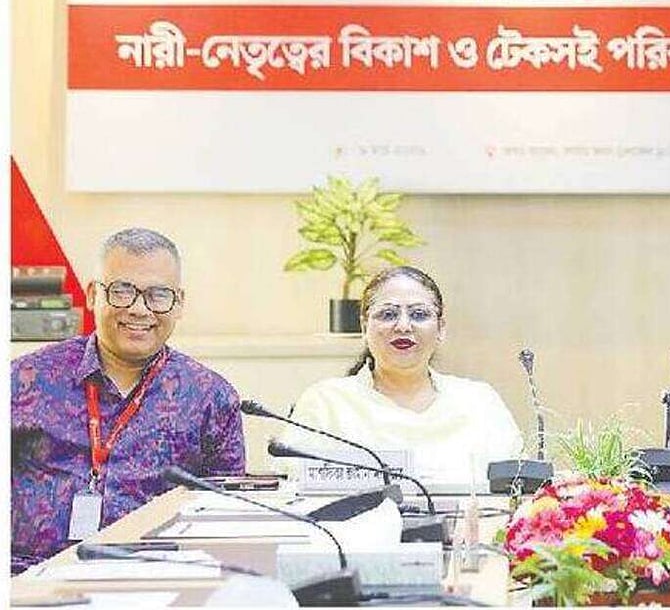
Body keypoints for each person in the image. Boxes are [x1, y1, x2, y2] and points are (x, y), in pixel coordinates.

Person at [11, 228, 245, 574]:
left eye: (158, 295)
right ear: (93, 295)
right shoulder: (23, 381)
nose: (139, 309)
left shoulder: (211, 398)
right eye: (122, 291)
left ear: (179, 303)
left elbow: (226, 520)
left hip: (157, 581)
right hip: (29, 579)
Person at [280, 265, 523, 484]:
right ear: (365, 328)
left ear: (441, 329)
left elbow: (517, 489)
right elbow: (291, 485)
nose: (404, 326)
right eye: (388, 314)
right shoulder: (326, 402)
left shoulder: (479, 402)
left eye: (419, 314)